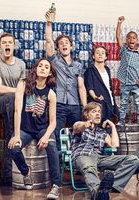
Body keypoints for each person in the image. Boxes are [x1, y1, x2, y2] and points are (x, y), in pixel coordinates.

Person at [8, 58, 60, 199]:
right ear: (35, 69)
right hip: (25, 129)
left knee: (52, 147)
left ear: (50, 73)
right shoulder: (23, 84)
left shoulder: (51, 93)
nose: (43, 68)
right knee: (13, 148)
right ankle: (26, 173)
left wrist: (46, 136)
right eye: (40, 66)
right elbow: (17, 110)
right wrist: (17, 135)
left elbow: (53, 121)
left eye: (46, 67)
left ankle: (56, 185)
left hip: (42, 129)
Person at [71, 102, 139, 200]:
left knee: (133, 159)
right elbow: (77, 127)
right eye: (94, 111)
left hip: (99, 158)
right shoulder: (80, 126)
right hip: (83, 155)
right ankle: (98, 193)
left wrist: (112, 126)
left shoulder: (102, 132)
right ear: (86, 114)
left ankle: (110, 187)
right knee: (89, 168)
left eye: (99, 112)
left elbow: (115, 145)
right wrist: (85, 125)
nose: (98, 114)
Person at [45, 8, 87, 150]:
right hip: (59, 104)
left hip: (75, 104)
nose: (64, 44)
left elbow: (81, 87)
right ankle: (59, 162)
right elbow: (49, 41)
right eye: (61, 43)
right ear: (58, 48)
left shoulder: (78, 65)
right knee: (56, 133)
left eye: (66, 43)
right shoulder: (55, 60)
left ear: (71, 46)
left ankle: (76, 159)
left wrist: (85, 106)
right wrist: (49, 23)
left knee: (78, 133)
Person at [0, 33, 26, 186]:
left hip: (14, 104)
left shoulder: (21, 64)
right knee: (10, 97)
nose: (7, 45)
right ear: (0, 46)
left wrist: (20, 93)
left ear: (14, 46)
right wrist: (18, 91)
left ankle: (10, 175)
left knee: (26, 100)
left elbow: (23, 88)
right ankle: (8, 176)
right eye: (4, 43)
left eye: (10, 42)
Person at [116, 16, 139, 125]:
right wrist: (119, 23)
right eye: (129, 38)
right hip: (124, 82)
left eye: (134, 38)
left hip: (136, 83)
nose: (131, 39)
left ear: (137, 40)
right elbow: (118, 36)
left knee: (138, 103)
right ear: (127, 40)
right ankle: (121, 121)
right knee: (123, 103)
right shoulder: (124, 50)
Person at [84, 45, 119, 123]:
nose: (100, 54)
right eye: (97, 53)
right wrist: (95, 97)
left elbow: (109, 87)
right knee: (100, 125)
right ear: (93, 56)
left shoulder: (107, 69)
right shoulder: (90, 70)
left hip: (110, 101)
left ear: (106, 57)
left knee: (110, 125)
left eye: (102, 53)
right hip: (98, 102)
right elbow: (89, 87)